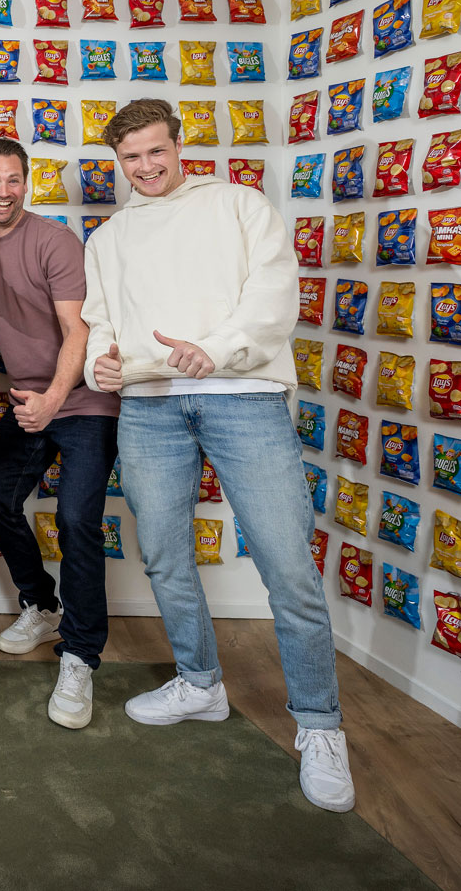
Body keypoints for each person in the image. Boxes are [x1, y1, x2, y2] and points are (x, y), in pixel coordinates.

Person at [82, 98, 355, 812]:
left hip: (243, 397)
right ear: (119, 162)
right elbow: (100, 324)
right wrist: (98, 365)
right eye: (131, 157)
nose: (145, 167)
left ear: (180, 145)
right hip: (148, 407)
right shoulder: (108, 238)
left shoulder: (240, 206)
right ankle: (200, 684)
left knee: (286, 563)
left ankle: (320, 726)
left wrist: (217, 348)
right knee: (165, 555)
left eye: (156, 151)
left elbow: (274, 297)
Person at [0, 138, 120, 730]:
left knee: (76, 521)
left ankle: (80, 655)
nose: (3, 192)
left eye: (13, 180)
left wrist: (54, 399)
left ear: (26, 184)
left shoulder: (55, 240)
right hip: (28, 398)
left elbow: (78, 331)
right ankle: (41, 605)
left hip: (84, 401)